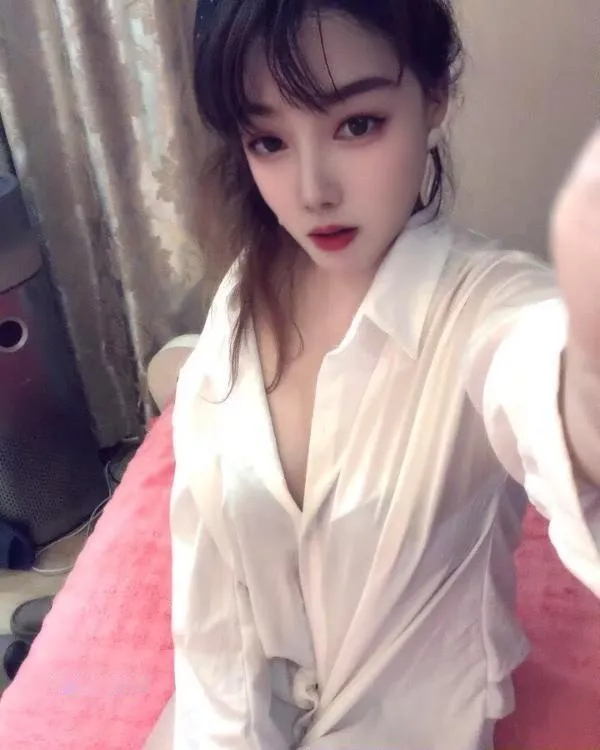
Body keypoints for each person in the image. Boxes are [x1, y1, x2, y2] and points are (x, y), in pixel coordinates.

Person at [154, 1, 600, 748]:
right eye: (269, 141)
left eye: (357, 125)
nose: (312, 190)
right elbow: (215, 604)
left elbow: (545, 384)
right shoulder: (245, 296)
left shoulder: (484, 309)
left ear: (434, 97)